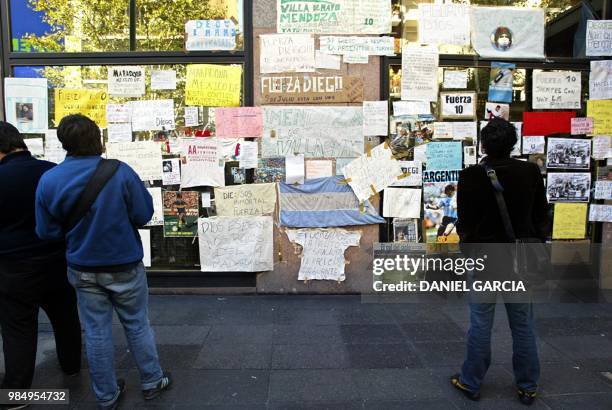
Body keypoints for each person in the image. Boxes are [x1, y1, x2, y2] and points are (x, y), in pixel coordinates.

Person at [35, 114, 172, 410]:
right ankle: (151, 381)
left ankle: (106, 395)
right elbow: (143, 214)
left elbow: (46, 232)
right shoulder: (120, 172)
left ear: (63, 143)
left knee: (96, 331)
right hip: (124, 264)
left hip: (82, 267)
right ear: (97, 138)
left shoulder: (49, 180)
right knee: (137, 324)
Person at [451, 118, 549, 406]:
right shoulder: (530, 171)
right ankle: (528, 386)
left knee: (480, 322)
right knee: (522, 324)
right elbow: (541, 216)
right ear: (513, 144)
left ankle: (471, 381)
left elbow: (465, 221)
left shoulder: (470, 176)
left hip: (484, 258)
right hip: (520, 259)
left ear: (483, 144)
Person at [0, 122, 82, 407]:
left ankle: (16, 395)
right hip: (55, 258)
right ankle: (72, 366)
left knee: (18, 328)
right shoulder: (51, 171)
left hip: (13, 266)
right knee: (65, 316)